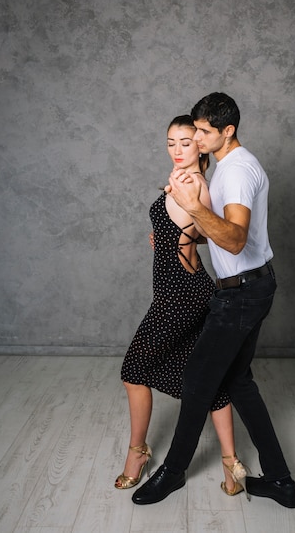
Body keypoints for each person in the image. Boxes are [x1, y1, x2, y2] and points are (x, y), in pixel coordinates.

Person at [132, 93, 295, 508]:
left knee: (197, 382)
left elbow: (236, 238)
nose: (198, 138)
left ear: (229, 131)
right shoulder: (230, 166)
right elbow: (224, 231)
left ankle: (171, 474)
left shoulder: (238, 171)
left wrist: (191, 206)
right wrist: (181, 235)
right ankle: (280, 480)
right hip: (251, 286)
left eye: (205, 132)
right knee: (239, 383)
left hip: (240, 294)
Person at [115, 114, 249, 498]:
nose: (177, 150)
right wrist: (174, 235)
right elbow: (200, 229)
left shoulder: (186, 184)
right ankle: (231, 467)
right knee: (207, 380)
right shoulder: (196, 184)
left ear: (200, 145)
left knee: (133, 370)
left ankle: (137, 454)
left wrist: (176, 227)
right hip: (190, 289)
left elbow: (206, 224)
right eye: (171, 142)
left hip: (179, 296)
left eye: (186, 142)